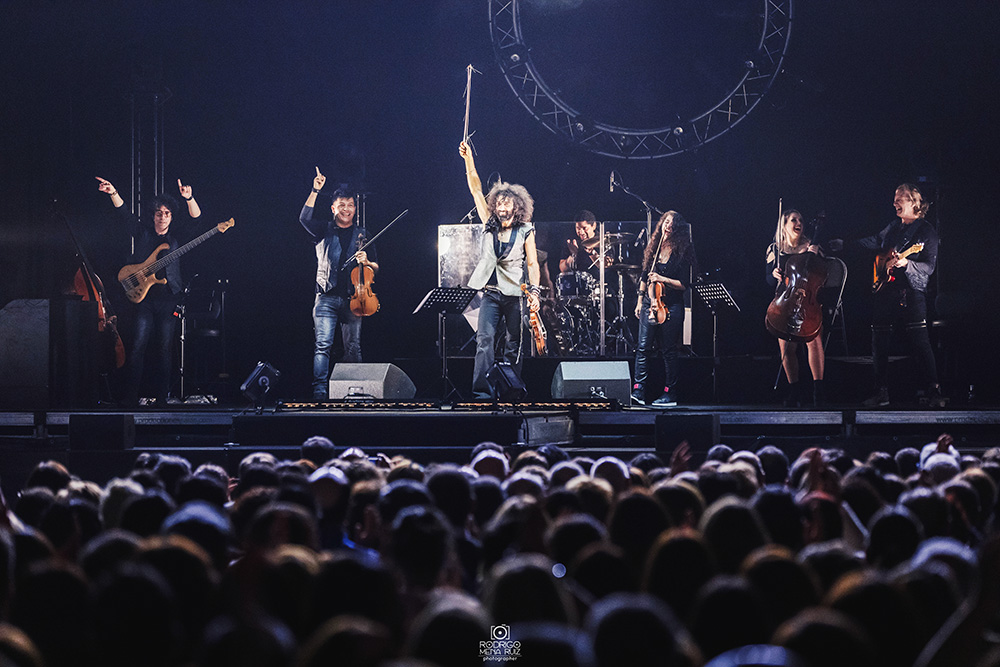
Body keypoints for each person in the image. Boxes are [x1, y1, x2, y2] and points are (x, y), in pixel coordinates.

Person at [95, 176, 203, 405]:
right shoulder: (143, 232)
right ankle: (130, 398)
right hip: (143, 300)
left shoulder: (177, 238)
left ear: (171, 217)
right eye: (158, 212)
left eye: (167, 213)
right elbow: (125, 215)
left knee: (164, 349)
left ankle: (163, 399)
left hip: (168, 298)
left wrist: (189, 198)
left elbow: (197, 219)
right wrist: (113, 191)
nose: (162, 217)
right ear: (153, 215)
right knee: (137, 346)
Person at [459, 141, 541, 399]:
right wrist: (468, 159)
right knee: (484, 341)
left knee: (513, 345)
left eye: (507, 203)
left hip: (516, 293)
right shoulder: (489, 223)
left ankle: (510, 390)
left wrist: (535, 293)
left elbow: (532, 263)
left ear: (517, 207)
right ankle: (482, 392)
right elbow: (475, 187)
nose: (502, 206)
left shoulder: (526, 229)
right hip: (490, 294)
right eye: (499, 203)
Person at [859, 183, 944, 407]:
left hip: (912, 293)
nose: (895, 202)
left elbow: (929, 268)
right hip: (886, 290)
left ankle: (934, 390)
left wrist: (907, 264)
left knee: (920, 341)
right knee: (879, 341)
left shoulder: (926, 231)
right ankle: (881, 392)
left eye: (901, 198)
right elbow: (876, 241)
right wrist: (846, 245)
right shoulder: (893, 227)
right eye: (894, 197)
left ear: (915, 202)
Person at [300, 168, 378, 400]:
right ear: (333, 208)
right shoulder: (323, 229)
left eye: (350, 204)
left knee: (353, 347)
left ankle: (354, 391)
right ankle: (320, 392)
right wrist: (316, 190)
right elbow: (304, 218)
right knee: (322, 346)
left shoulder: (363, 233)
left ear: (355, 208)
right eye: (341, 205)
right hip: (325, 296)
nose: (346, 209)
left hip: (355, 297)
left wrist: (368, 262)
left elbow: (376, 268)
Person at [631, 211, 696, 406]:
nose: (668, 226)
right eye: (666, 222)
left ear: (677, 228)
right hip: (650, 304)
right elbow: (645, 276)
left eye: (672, 223)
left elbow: (684, 284)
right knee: (642, 348)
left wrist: (662, 279)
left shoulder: (683, 250)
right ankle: (639, 390)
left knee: (668, 350)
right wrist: (639, 300)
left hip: (672, 306)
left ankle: (670, 393)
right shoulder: (654, 247)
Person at [766, 209, 827, 406]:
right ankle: (795, 390)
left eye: (800, 219)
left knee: (814, 339)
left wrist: (814, 256)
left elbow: (823, 275)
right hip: (784, 300)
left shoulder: (811, 246)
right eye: (793, 220)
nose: (798, 223)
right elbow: (768, 279)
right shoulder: (775, 249)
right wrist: (773, 275)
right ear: (784, 225)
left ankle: (818, 391)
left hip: (808, 301)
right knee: (785, 345)